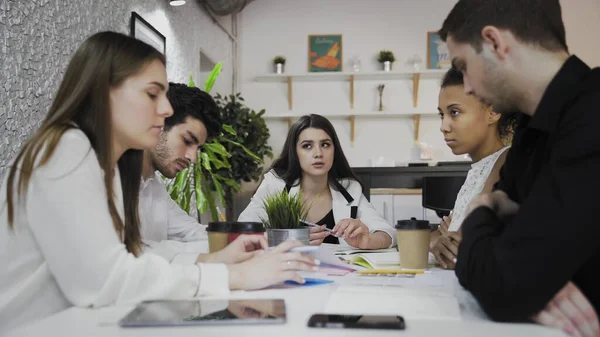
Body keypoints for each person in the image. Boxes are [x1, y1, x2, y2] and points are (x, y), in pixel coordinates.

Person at [0, 31, 317, 333]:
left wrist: (214, 261)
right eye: (152, 94)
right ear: (103, 91)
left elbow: (129, 255)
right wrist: (231, 274)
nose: (165, 109)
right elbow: (104, 280)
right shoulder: (67, 149)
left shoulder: (103, 165)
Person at [440, 0, 600, 335]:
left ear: (495, 42)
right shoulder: (531, 125)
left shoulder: (591, 115)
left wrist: (481, 209)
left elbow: (504, 286)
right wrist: (490, 218)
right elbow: (498, 263)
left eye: (464, 65)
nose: (467, 86)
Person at [238, 114, 395, 249]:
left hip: (339, 280)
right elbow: (242, 233)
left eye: (325, 145)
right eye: (307, 146)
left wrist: (367, 241)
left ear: (334, 150)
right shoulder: (275, 184)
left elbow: (388, 234)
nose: (318, 153)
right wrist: (289, 239)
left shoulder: (349, 189)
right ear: (295, 152)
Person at [430, 67, 516, 269]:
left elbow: (462, 244)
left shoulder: (504, 160)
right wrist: (439, 240)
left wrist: (446, 239)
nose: (444, 125)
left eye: (455, 112)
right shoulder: (478, 168)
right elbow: (445, 238)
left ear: (493, 111)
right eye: (442, 115)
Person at [139, 82, 234, 264]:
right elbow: (134, 251)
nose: (193, 158)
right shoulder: (109, 178)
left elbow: (191, 232)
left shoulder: (154, 186)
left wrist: (240, 239)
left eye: (198, 148)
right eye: (188, 140)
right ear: (159, 124)